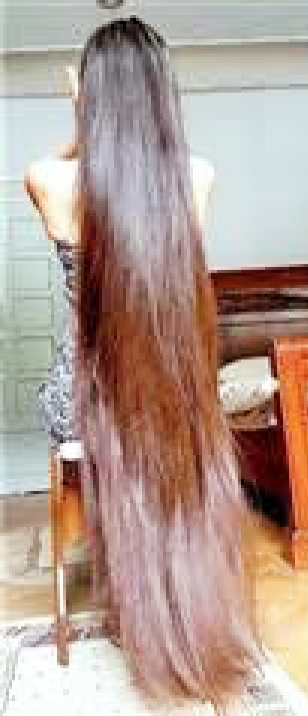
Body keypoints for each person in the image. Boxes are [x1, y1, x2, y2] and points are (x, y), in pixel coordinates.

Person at [25, 17, 257, 707]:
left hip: (84, 393)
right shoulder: (197, 176)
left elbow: (60, 163)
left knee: (91, 405)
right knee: (166, 418)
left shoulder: (48, 179)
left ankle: (129, 589)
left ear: (90, 95)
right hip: (167, 385)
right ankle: (183, 606)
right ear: (163, 93)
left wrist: (80, 122)